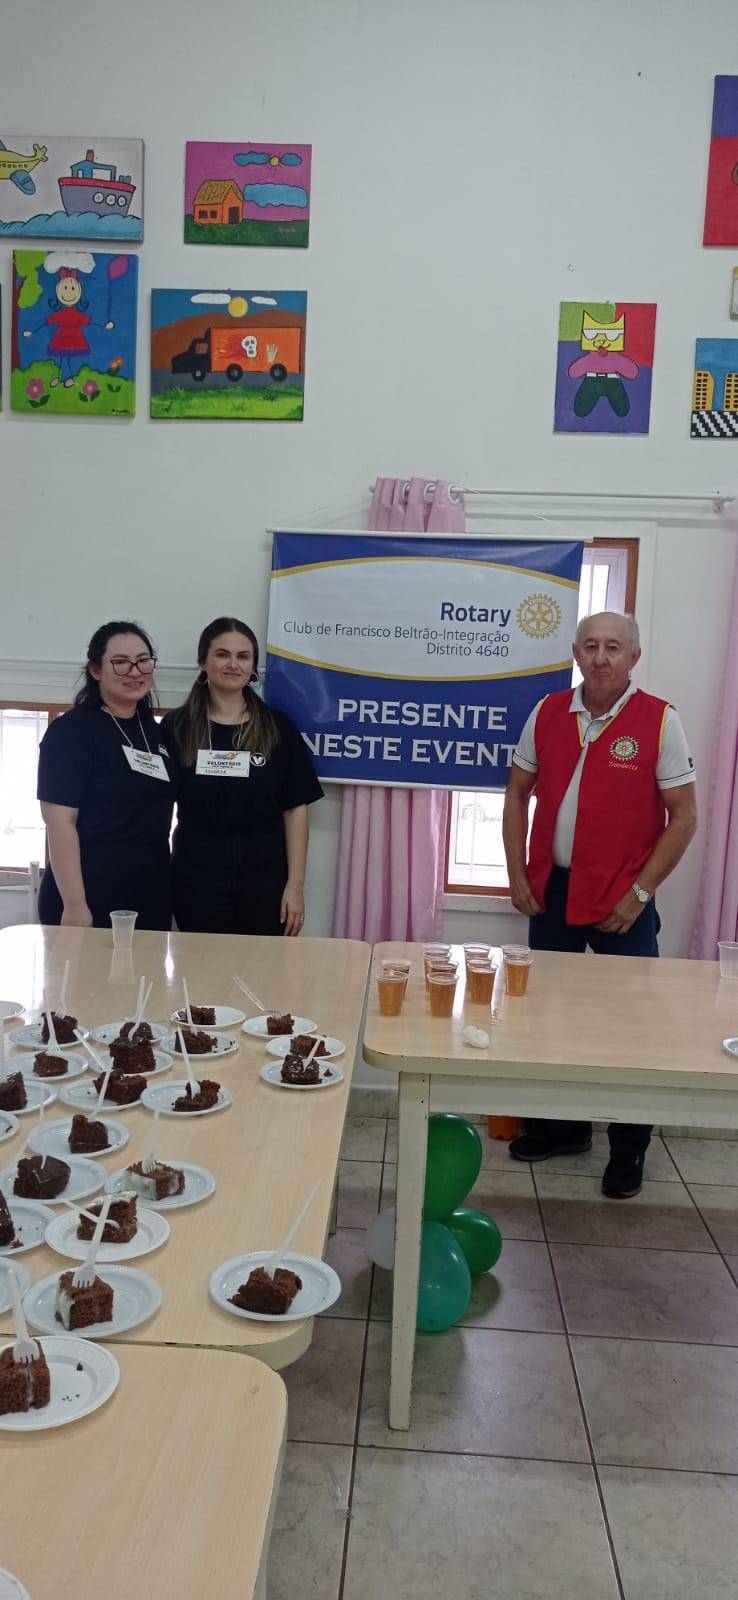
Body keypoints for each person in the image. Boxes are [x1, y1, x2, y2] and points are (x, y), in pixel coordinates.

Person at [502, 611, 697, 1199]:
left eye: (614, 647)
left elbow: (684, 818)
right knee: (549, 1016)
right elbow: (516, 795)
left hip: (624, 898)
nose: (601, 657)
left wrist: (641, 893)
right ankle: (564, 1129)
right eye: (590, 646)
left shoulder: (660, 720)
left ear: (634, 657)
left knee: (630, 1029)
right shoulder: (548, 712)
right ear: (576, 653)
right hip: (554, 890)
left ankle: (629, 1150)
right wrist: (517, 873)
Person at [161, 616, 323, 936]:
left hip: (265, 883)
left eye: (243, 656)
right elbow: (157, 807)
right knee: (201, 976)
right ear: (203, 663)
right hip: (196, 879)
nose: (232, 664)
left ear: (253, 667)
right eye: (222, 654)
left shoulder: (278, 727)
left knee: (262, 977)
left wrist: (295, 887)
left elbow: (295, 811)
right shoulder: (176, 728)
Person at [37, 622, 175, 930]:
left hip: (150, 893)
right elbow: (59, 823)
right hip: (87, 894)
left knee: (147, 979)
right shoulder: (70, 733)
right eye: (121, 662)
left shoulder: (155, 733)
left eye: (143, 660)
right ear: (96, 670)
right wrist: (74, 905)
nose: (135, 671)